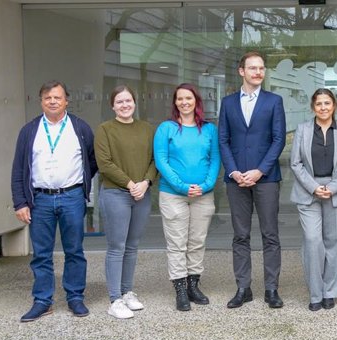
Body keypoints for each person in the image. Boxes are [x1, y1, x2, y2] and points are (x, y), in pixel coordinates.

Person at [11, 80, 98, 322]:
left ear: (66, 100)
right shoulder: (29, 131)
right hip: (39, 200)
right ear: (41, 102)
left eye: (57, 97)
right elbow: (19, 169)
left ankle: (75, 297)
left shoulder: (80, 128)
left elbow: (92, 161)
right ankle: (42, 301)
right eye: (47, 97)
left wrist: (79, 187)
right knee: (41, 254)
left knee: (74, 251)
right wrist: (20, 202)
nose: (52, 101)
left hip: (72, 197)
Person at [219, 51, 287, 309]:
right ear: (241, 71)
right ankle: (243, 288)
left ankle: (271, 289)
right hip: (236, 179)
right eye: (252, 68)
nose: (258, 72)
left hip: (266, 178)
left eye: (261, 68)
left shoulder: (274, 101)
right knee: (241, 235)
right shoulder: (227, 103)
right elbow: (223, 139)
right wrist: (234, 171)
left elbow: (278, 139)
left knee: (270, 234)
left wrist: (260, 170)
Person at [154, 83, 220, 311]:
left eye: (188, 98)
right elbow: (161, 160)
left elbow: (215, 160)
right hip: (173, 194)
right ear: (175, 103)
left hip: (203, 194)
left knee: (197, 242)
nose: (184, 102)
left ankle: (194, 285)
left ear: (196, 101)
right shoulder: (166, 128)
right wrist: (182, 186)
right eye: (180, 99)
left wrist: (207, 184)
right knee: (176, 243)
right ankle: (180, 289)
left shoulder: (209, 129)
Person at [290, 88, 337, 311]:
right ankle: (315, 293)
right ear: (313, 107)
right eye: (319, 104)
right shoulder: (303, 129)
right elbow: (296, 163)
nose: (323, 108)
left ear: (334, 106)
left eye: (327, 103)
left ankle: (330, 292)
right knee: (312, 241)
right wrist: (314, 187)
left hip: (336, 192)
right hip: (309, 191)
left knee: (335, 243)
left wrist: (332, 187)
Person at [94, 85, 157, 319]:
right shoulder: (105, 129)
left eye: (128, 100)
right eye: (119, 102)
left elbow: (155, 160)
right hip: (116, 194)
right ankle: (114, 299)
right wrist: (131, 184)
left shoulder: (147, 129)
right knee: (117, 247)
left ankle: (127, 291)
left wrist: (146, 183)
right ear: (112, 106)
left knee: (132, 246)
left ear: (135, 102)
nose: (124, 105)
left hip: (142, 194)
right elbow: (105, 163)